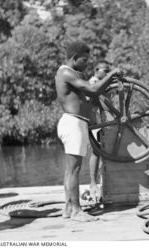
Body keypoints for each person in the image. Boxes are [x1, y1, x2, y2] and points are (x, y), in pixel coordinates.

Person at [55, 41, 122, 221]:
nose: (87, 63)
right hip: (73, 123)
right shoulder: (66, 72)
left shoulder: (72, 73)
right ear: (74, 58)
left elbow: (90, 96)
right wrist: (112, 74)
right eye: (84, 60)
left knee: (70, 169)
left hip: (77, 123)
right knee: (74, 170)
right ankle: (76, 210)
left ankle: (68, 208)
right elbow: (93, 89)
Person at [87, 61, 111, 203]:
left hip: (103, 121)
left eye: (109, 70)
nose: (107, 73)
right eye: (105, 70)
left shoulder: (102, 82)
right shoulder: (93, 82)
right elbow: (92, 99)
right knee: (96, 152)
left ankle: (103, 181)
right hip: (95, 120)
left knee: (103, 151)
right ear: (96, 70)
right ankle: (93, 183)